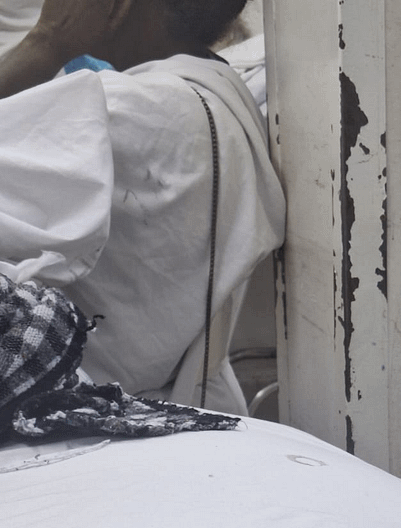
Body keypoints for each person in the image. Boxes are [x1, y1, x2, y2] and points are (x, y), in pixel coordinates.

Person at [0, 0, 285, 414]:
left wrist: (44, 44)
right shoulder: (217, 90)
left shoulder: (123, 110)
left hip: (101, 423)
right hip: (184, 407)